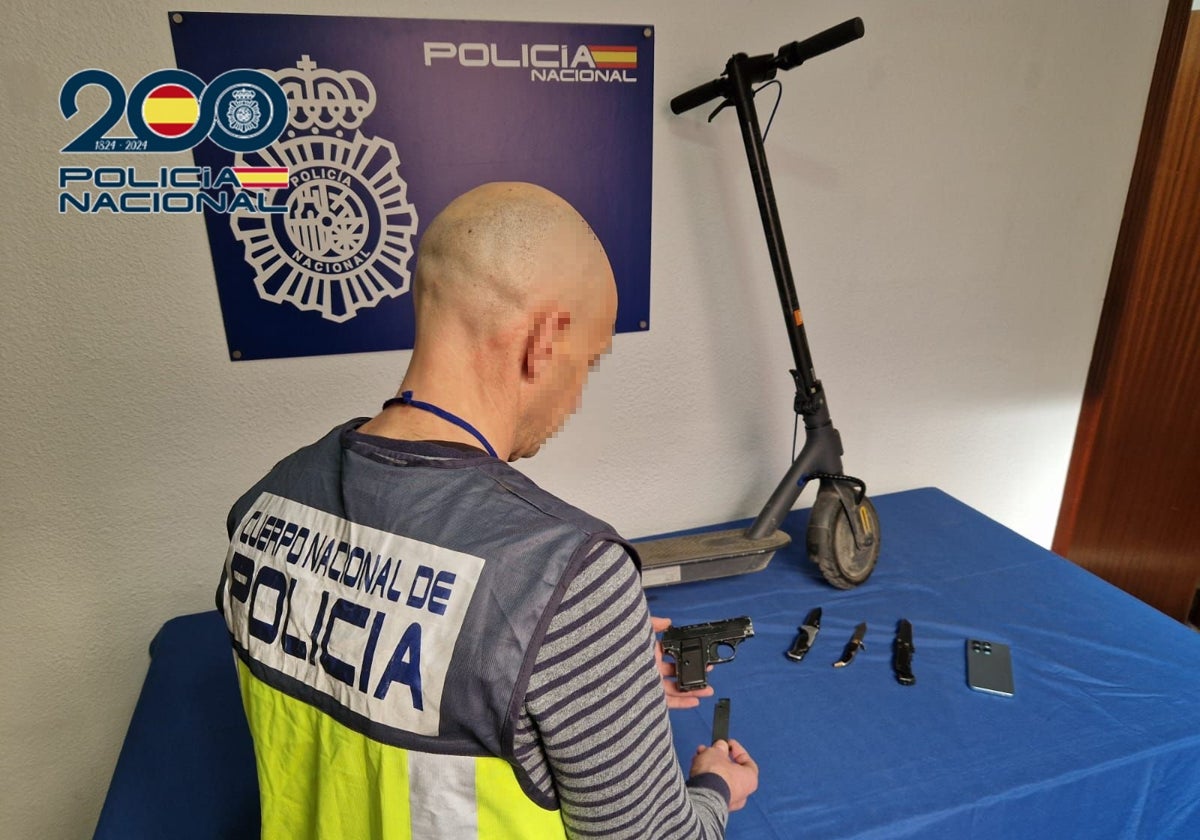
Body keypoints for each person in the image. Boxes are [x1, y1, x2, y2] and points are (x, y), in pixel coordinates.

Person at [217, 181, 758, 839]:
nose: (577, 399)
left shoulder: (264, 505)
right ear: (543, 339)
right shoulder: (568, 576)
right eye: (587, 362)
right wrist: (713, 789)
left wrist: (575, 678)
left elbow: (366, 668)